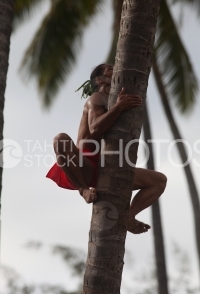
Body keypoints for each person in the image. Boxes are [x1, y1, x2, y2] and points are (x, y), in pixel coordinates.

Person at [46, 63, 167, 234]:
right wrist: (119, 107)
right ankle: (83, 191)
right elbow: (95, 129)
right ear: (99, 80)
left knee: (159, 181)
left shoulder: (115, 99)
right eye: (109, 69)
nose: (115, 68)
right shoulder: (96, 98)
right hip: (84, 164)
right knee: (61, 140)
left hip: (107, 168)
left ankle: (127, 216)